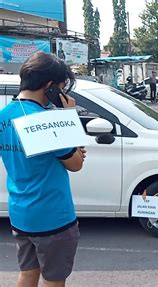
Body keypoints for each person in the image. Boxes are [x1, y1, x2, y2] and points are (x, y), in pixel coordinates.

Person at [0, 52, 86, 287]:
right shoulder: (45, 121)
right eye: (61, 88)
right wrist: (68, 117)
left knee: (27, 273)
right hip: (52, 216)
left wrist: (70, 150)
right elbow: (76, 164)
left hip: (20, 213)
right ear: (50, 87)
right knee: (53, 280)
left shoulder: (3, 115)